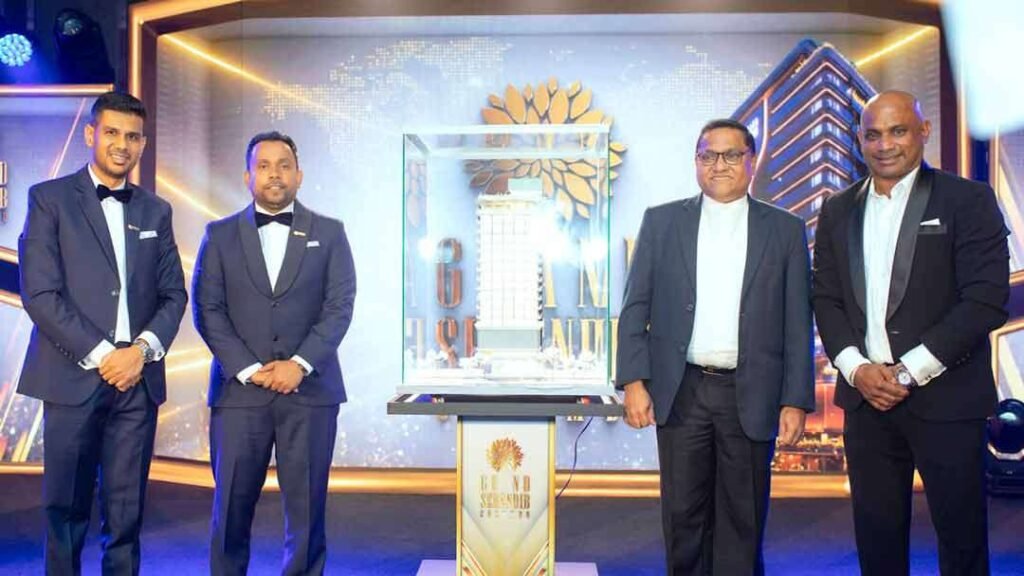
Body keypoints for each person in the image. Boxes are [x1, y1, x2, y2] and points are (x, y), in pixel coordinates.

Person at [812, 90, 1009, 576]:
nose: (885, 145)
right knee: (877, 543)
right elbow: (826, 299)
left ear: (923, 132)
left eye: (898, 131)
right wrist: (857, 369)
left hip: (948, 400)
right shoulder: (837, 209)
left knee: (962, 542)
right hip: (866, 403)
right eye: (873, 134)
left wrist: (907, 372)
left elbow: (985, 300)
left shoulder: (967, 200)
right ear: (859, 140)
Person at [616, 118, 814, 575]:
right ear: (696, 162)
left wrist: (795, 400)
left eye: (731, 155)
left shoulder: (784, 229)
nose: (718, 165)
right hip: (682, 389)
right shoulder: (662, 222)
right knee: (683, 516)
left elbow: (797, 322)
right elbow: (635, 306)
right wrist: (633, 381)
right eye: (708, 155)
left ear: (751, 161)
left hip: (751, 391)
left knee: (743, 518)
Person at [17, 91, 187, 574]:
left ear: (142, 144)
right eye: (112, 132)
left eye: (132, 136)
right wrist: (103, 355)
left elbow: (174, 295)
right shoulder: (48, 199)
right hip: (72, 377)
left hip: (137, 382)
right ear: (91, 134)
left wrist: (140, 352)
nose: (122, 144)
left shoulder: (156, 210)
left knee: (127, 513)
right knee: (66, 511)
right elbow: (41, 294)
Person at [192, 131, 356, 575]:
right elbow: (207, 310)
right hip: (239, 394)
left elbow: (339, 307)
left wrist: (299, 365)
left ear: (299, 175)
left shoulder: (330, 233)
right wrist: (249, 369)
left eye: (284, 165)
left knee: (307, 513)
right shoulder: (219, 235)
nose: (274, 174)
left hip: (311, 392)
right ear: (247, 176)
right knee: (230, 510)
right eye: (263, 166)